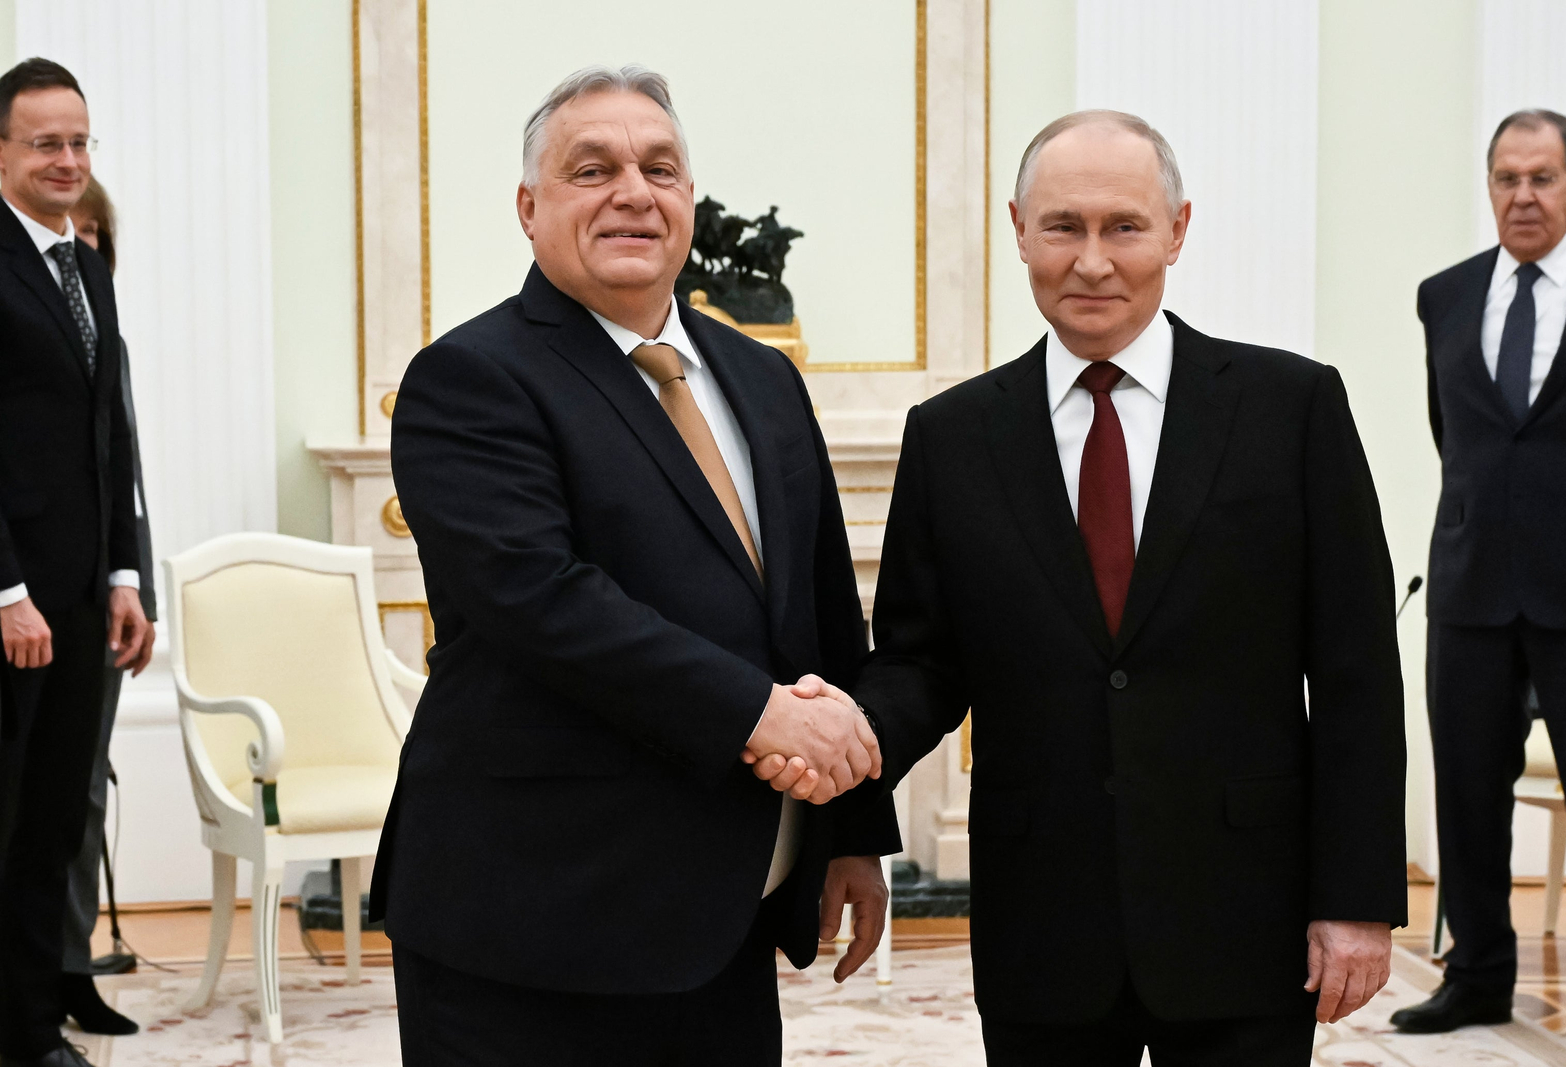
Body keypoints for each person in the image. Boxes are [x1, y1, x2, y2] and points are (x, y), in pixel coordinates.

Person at [764, 110, 1409, 1064]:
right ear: (1020, 229)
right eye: (1064, 226)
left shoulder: (1292, 409)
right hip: (1044, 924)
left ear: (1178, 230)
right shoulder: (953, 437)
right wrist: (842, 744)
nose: (1093, 261)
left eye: (1124, 226)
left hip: (1244, 916)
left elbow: (1357, 670)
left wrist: (1355, 902)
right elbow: (919, 663)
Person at [369, 65, 898, 1066]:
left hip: (723, 914)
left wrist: (851, 829)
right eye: (592, 168)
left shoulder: (762, 376)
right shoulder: (471, 378)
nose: (632, 191)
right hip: (532, 920)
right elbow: (543, 601)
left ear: (687, 203)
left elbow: (822, 610)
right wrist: (765, 714)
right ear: (530, 208)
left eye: (660, 167)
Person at [1393, 108, 1566, 1034]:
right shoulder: (1444, 294)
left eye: (1543, 177)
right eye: (1507, 178)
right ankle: (1475, 976)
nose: (1523, 195)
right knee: (1468, 793)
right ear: (1489, 188)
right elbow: (1458, 437)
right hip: (1472, 582)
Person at [0, 59, 151, 1067]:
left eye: (80, 141)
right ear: (3, 152)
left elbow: (113, 435)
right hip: (11, 599)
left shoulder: (82, 264)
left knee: (52, 825)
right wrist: (5, 587)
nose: (68, 160)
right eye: (47, 142)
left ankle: (26, 1029)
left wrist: (127, 576)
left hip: (84, 597)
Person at [51, 176, 153, 1038]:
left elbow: (129, 488)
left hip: (101, 604)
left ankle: (69, 964)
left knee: (79, 794)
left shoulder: (103, 337)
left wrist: (136, 589)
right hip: (30, 601)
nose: (73, 246)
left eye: (88, 234)